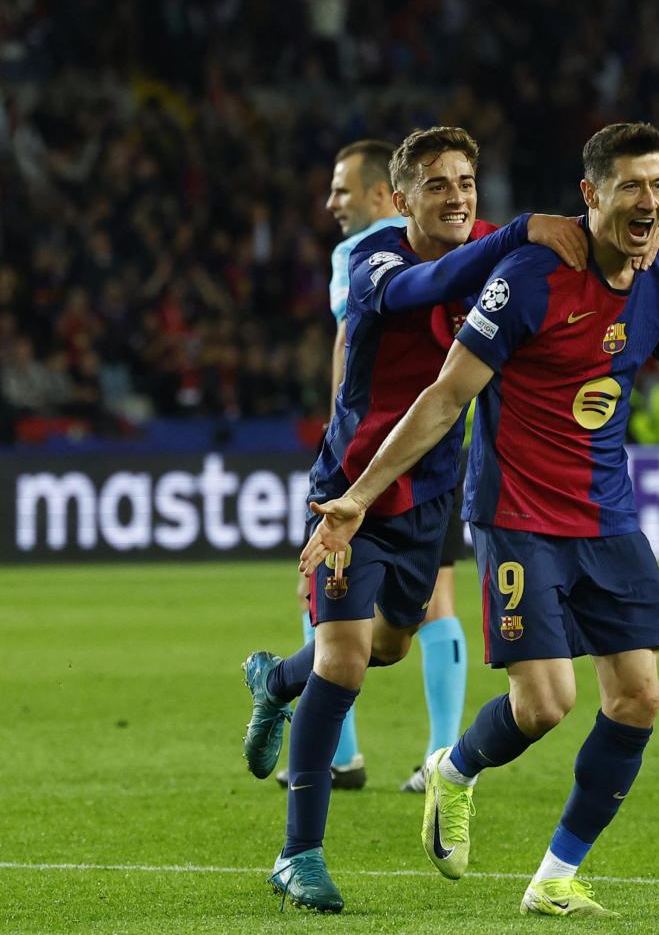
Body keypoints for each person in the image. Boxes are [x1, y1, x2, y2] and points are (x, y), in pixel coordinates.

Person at [298, 121, 659, 919]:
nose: (649, 203)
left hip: (607, 513)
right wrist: (358, 494)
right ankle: (456, 769)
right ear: (591, 195)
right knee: (545, 706)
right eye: (632, 186)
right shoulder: (531, 275)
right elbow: (446, 395)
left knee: (639, 697)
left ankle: (555, 875)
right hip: (517, 512)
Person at [240, 125, 596, 913]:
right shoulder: (375, 262)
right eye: (437, 185)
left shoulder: (488, 269)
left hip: (432, 500)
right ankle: (298, 854)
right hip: (351, 493)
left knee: (390, 645)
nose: (457, 198)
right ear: (400, 200)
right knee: (343, 662)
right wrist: (518, 231)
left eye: (467, 183)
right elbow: (415, 295)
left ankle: (273, 682)